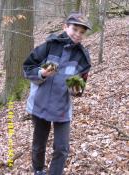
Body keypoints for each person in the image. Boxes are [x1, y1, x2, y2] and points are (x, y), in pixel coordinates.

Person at [23, 12, 91, 175]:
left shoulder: (83, 58)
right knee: (39, 144)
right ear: (65, 27)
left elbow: (80, 87)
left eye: (82, 32)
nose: (78, 34)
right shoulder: (48, 46)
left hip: (62, 108)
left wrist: (77, 90)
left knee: (62, 148)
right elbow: (27, 68)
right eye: (74, 29)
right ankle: (38, 170)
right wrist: (42, 73)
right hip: (40, 104)